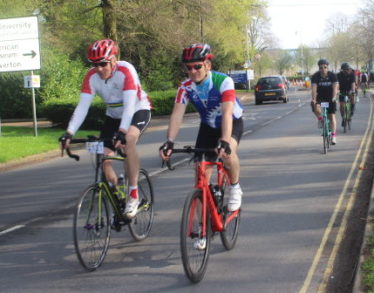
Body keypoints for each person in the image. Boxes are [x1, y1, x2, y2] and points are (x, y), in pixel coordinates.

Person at [59, 39, 152, 219]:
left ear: (114, 60)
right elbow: (82, 107)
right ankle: (115, 192)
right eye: (95, 65)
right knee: (103, 156)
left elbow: (129, 105)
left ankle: (133, 195)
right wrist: (69, 133)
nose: (99, 69)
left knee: (129, 141)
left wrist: (123, 132)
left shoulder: (126, 70)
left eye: (103, 63)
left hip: (137, 110)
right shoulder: (91, 77)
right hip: (113, 116)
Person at [159, 43, 244, 212]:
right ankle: (201, 233)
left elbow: (227, 113)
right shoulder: (185, 87)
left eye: (197, 66)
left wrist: (225, 141)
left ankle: (235, 187)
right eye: (188, 68)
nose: (192, 72)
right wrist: (169, 141)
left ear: (208, 65)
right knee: (200, 179)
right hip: (208, 127)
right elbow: (177, 115)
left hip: (231, 123)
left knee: (228, 155)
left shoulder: (223, 81)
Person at [310, 58, 339, 144]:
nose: (323, 69)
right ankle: (321, 119)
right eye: (321, 68)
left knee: (332, 117)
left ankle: (333, 136)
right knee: (314, 106)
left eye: (325, 67)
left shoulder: (332, 76)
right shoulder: (315, 76)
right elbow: (314, 90)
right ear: (319, 68)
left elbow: (335, 88)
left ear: (327, 67)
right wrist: (314, 99)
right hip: (320, 97)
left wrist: (334, 97)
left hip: (330, 97)